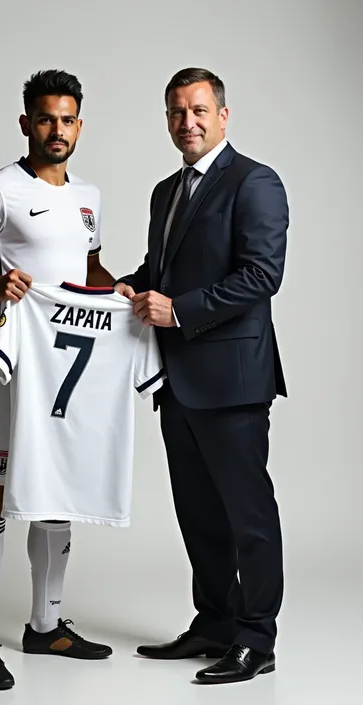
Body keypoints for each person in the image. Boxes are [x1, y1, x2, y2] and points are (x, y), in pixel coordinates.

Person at [0, 69, 115, 691]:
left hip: (69, 371)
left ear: (79, 126)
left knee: (57, 493)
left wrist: (120, 293)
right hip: (12, 369)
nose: (56, 130)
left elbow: (87, 272)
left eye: (66, 120)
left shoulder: (90, 196)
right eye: (45, 118)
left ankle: (47, 625)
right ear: (25, 123)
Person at [114, 67, 288, 685]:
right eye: (176, 112)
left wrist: (179, 310)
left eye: (198, 110)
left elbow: (262, 274)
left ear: (223, 115)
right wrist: (127, 285)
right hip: (178, 381)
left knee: (248, 515)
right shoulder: (166, 191)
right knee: (198, 513)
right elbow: (163, 267)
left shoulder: (255, 181)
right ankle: (214, 621)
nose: (187, 122)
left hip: (235, 380)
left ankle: (256, 639)